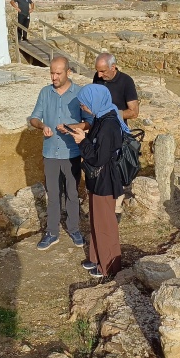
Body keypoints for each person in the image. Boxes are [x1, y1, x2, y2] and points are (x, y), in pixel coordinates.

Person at [63, 84, 126, 279]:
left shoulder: (108, 125)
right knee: (96, 221)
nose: (82, 106)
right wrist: (83, 137)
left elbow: (99, 158)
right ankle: (96, 257)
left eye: (84, 103)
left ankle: (108, 266)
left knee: (105, 224)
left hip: (104, 181)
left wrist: (82, 141)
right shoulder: (102, 118)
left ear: (95, 102)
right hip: (97, 179)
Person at [29, 57, 91, 251]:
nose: (54, 77)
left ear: (68, 73)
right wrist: (42, 126)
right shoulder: (45, 92)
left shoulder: (80, 93)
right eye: (51, 73)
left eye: (58, 73)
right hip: (50, 152)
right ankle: (52, 232)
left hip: (72, 152)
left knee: (72, 193)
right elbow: (33, 118)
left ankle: (74, 229)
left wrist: (73, 127)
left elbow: (90, 121)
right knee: (53, 194)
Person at [92, 52, 139, 222]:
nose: (99, 75)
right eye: (98, 71)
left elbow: (134, 112)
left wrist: (111, 114)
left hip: (118, 132)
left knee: (118, 169)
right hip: (99, 131)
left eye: (103, 71)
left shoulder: (126, 81)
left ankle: (117, 207)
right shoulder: (98, 78)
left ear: (113, 67)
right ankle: (103, 201)